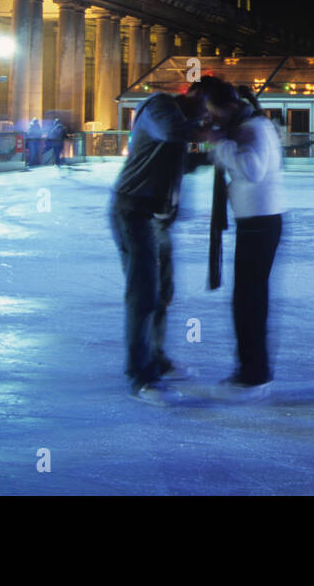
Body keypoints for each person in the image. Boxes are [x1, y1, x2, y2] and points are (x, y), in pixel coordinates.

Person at [109, 89, 208, 402]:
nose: (206, 116)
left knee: (162, 293)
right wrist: (214, 132)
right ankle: (140, 374)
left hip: (157, 218)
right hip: (133, 211)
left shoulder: (179, 120)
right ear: (190, 96)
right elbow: (171, 132)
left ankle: (156, 358)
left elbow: (181, 156)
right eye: (205, 108)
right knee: (143, 295)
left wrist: (216, 154)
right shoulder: (160, 108)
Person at [194, 75, 286, 395]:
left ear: (229, 106)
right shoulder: (246, 127)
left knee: (249, 301)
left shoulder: (255, 128)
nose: (211, 118)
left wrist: (219, 141)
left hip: (261, 223)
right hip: (256, 222)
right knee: (247, 300)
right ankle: (251, 368)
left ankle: (254, 372)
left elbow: (253, 170)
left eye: (213, 112)